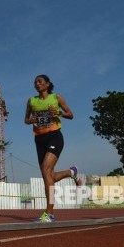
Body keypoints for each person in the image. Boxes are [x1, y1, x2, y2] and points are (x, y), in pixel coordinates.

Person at [24, 74, 82, 223]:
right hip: (39, 140)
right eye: (35, 82)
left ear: (48, 84)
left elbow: (71, 114)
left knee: (46, 169)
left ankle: (49, 213)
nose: (37, 84)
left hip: (55, 136)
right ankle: (71, 172)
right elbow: (26, 120)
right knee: (48, 176)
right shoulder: (31, 101)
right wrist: (32, 120)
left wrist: (59, 113)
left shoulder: (56, 98)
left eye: (40, 82)